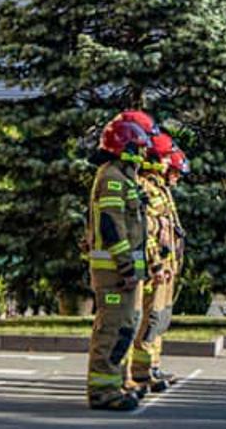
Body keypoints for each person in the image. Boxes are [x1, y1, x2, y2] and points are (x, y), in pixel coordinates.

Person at [84, 111, 155, 411]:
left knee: (124, 327)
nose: (141, 155)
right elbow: (112, 227)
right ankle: (103, 391)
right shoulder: (112, 178)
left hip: (121, 271)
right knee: (112, 329)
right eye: (137, 148)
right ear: (124, 147)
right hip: (113, 270)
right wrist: (126, 265)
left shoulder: (122, 177)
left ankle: (116, 382)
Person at [129, 132, 185, 392]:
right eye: (166, 161)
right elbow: (147, 232)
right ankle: (140, 371)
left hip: (166, 267)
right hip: (156, 269)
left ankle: (151, 366)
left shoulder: (161, 189)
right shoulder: (147, 188)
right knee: (149, 319)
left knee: (159, 319)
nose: (171, 170)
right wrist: (156, 264)